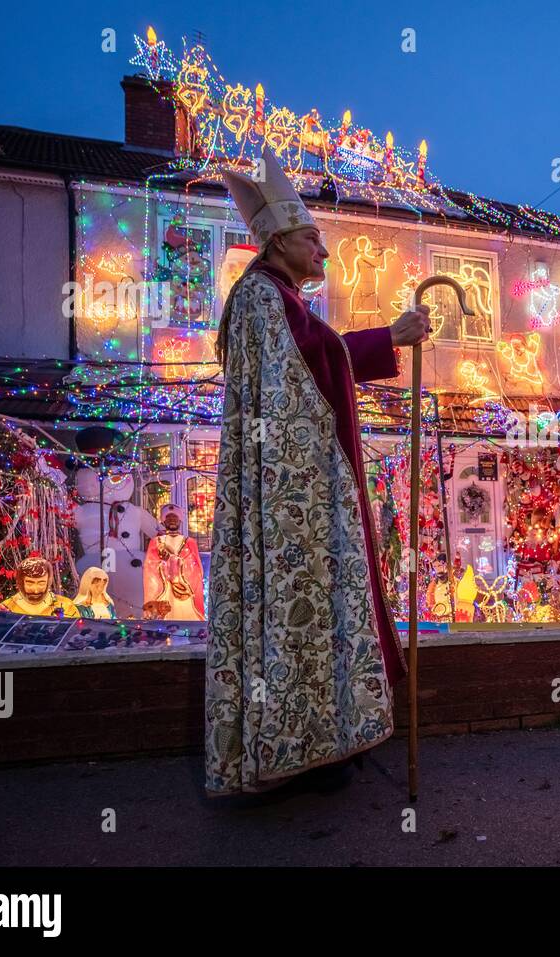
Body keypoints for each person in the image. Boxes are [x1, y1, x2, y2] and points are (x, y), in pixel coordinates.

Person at [205, 145, 432, 796]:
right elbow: (307, 362)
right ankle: (298, 748)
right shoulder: (260, 299)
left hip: (292, 498)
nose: (325, 254)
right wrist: (389, 336)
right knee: (298, 612)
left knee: (314, 612)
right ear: (278, 241)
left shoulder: (274, 298)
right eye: (314, 239)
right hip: (289, 501)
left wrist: (384, 341)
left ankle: (322, 741)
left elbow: (312, 355)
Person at [143, 504, 205, 620]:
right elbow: (149, 566)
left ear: (179, 520)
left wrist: (181, 567)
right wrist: (162, 563)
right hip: (164, 587)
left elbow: (196, 567)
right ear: (164, 521)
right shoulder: (156, 542)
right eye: (169, 518)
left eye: (174, 518)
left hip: (185, 587)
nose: (172, 520)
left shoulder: (189, 542)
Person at [0, 556, 79, 618]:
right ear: (21, 583)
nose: (35, 591)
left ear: (48, 582)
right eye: (30, 583)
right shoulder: (6, 608)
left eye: (41, 583)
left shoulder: (66, 606)